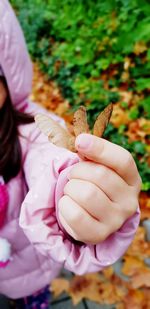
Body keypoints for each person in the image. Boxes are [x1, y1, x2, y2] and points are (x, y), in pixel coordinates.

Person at [0, 0, 141, 308]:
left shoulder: (28, 132)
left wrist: (74, 196)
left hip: (27, 272)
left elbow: (49, 163)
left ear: (7, 77)